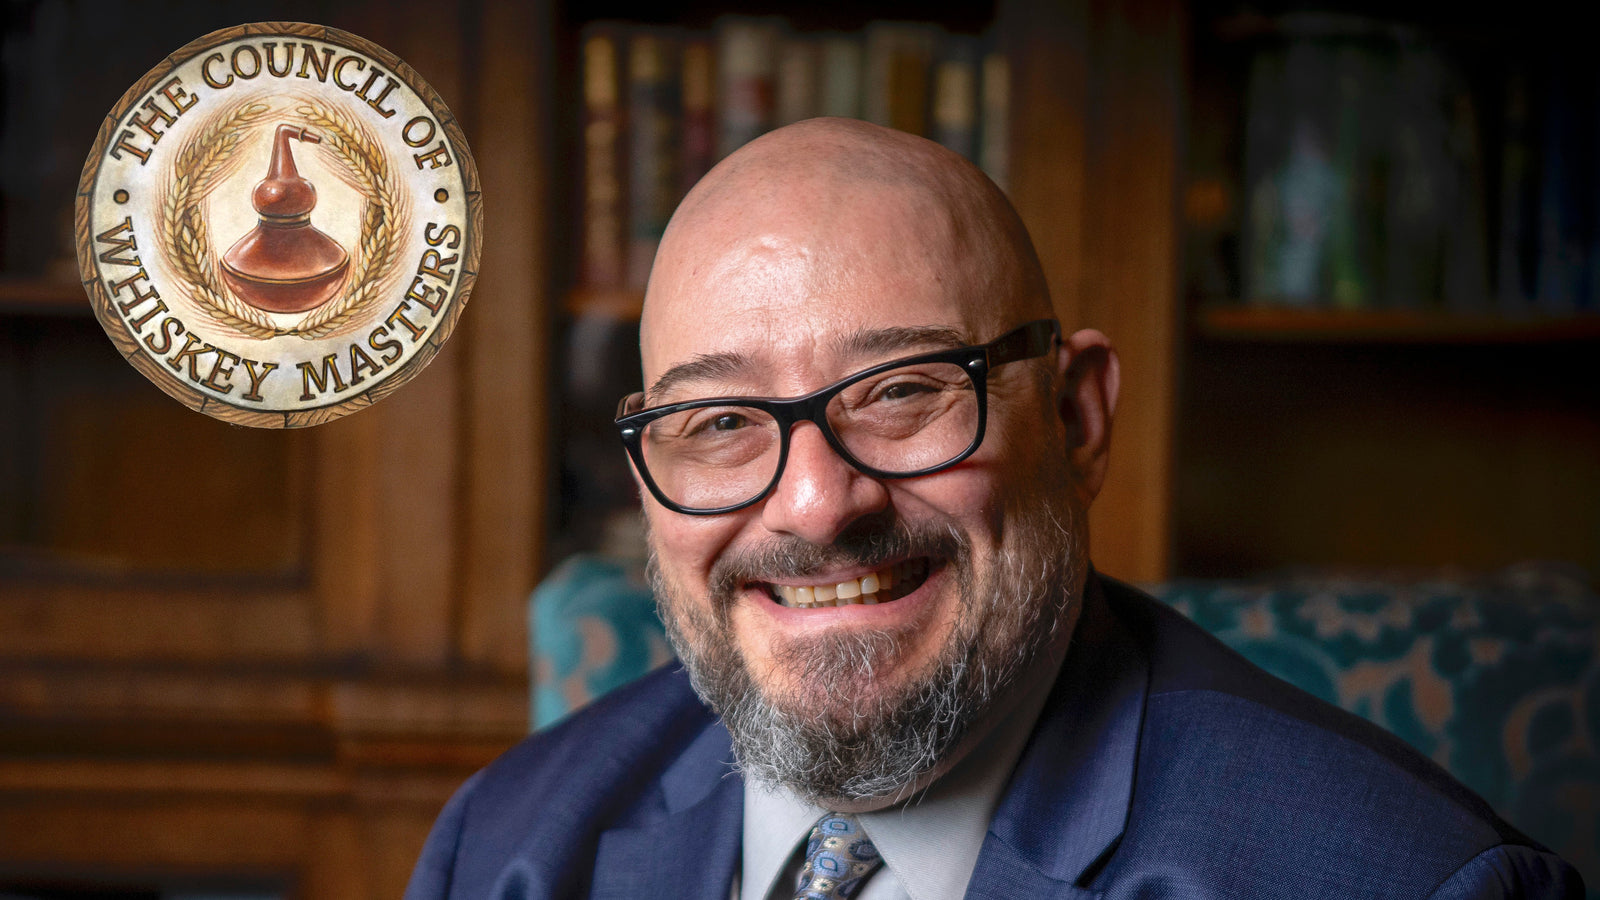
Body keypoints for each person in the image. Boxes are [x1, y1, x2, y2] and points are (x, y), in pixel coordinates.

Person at [404, 119, 1580, 899]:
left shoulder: (1403, 884)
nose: (814, 505)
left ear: (1075, 421)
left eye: (905, 392)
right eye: (718, 424)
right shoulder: (502, 850)